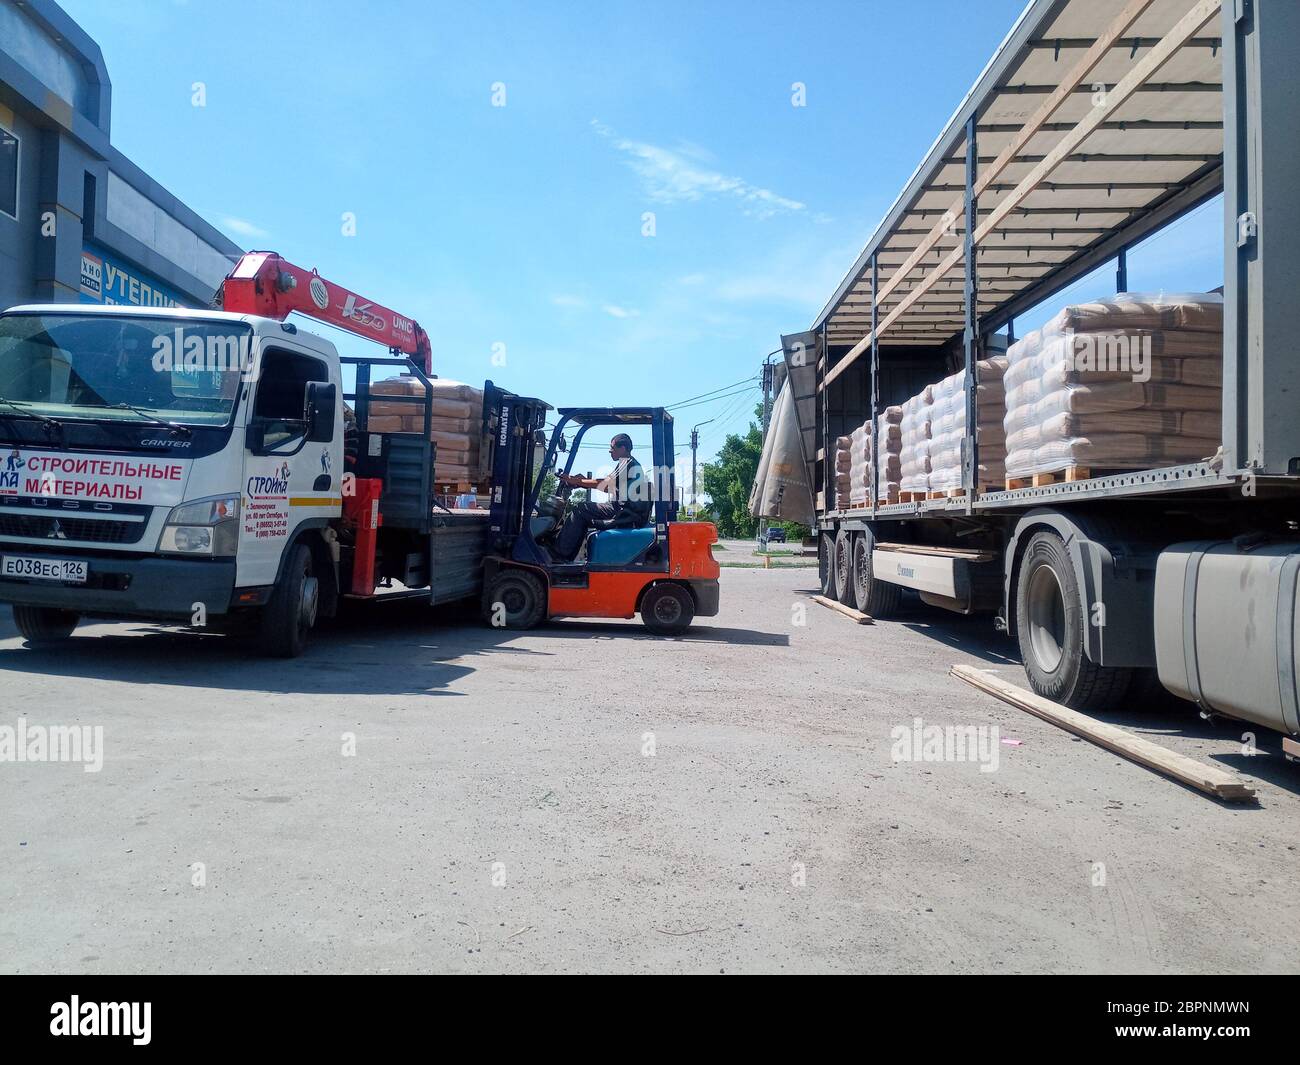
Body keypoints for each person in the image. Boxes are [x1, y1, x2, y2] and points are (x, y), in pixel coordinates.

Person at [553, 433, 650, 560]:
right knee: (584, 509)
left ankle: (560, 554)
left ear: (623, 449)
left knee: (581, 510)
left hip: (621, 512)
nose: (610, 451)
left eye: (612, 447)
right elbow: (607, 482)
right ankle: (567, 555)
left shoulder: (627, 464)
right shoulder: (628, 463)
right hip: (622, 509)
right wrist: (582, 482)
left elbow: (605, 485)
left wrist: (577, 482)